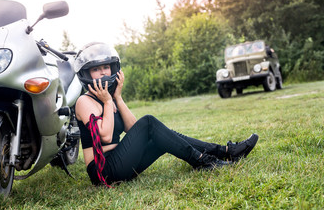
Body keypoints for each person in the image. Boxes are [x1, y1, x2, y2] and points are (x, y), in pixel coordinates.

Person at [74, 42, 259, 187]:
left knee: (162, 137)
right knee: (149, 122)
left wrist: (117, 98)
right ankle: (203, 162)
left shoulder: (110, 97)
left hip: (122, 162)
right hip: (104, 171)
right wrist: (107, 102)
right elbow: (105, 136)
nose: (102, 73)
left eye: (105, 67)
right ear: (87, 74)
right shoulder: (85, 102)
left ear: (113, 68)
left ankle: (226, 152)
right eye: (96, 69)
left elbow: (132, 129)